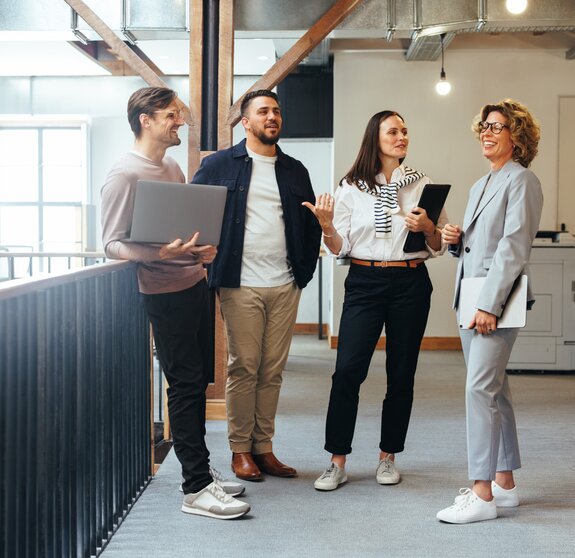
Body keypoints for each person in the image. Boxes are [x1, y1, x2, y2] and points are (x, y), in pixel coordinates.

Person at [101, 86, 250, 520]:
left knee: (195, 383)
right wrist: (158, 255)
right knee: (183, 386)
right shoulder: (124, 174)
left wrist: (197, 253)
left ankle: (201, 471)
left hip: (192, 283)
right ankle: (196, 488)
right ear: (145, 120)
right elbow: (110, 244)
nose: (179, 122)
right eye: (170, 115)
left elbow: (182, 231)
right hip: (162, 293)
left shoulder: (169, 167)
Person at [303, 110, 447, 491]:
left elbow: (438, 246)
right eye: (393, 131)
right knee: (348, 370)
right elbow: (342, 248)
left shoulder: (423, 185)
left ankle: (388, 457)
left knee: (402, 373)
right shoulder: (351, 187)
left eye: (405, 130)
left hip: (410, 282)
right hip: (365, 281)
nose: (402, 136)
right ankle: (337, 460)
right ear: (375, 138)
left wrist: (429, 227)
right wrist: (327, 227)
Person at [191, 89, 322, 481]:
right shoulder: (218, 165)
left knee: (273, 370)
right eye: (263, 111)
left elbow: (311, 223)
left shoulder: (295, 169)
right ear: (245, 122)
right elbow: (192, 213)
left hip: (285, 284)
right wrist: (200, 255)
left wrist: (302, 272)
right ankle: (239, 450)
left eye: (277, 111)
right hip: (240, 282)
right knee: (244, 367)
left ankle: (264, 447)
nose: (272, 117)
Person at [437, 99, 543, 524]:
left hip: (493, 302)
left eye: (497, 126)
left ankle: (481, 493)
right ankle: (505, 484)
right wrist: (453, 239)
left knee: (479, 389)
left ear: (517, 137)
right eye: (484, 125)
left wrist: (489, 305)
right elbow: (478, 247)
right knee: (495, 389)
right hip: (472, 296)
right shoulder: (482, 184)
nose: (487, 131)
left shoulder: (523, 181)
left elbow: (513, 248)